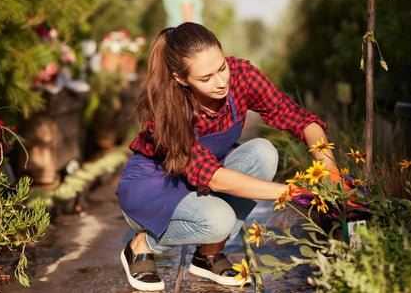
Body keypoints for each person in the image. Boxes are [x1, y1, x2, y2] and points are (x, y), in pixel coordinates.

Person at [115, 22, 336, 291]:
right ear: (181, 79)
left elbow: (298, 119)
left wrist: (327, 165)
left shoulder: (241, 76)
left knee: (263, 152)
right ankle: (141, 245)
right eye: (206, 78)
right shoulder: (166, 108)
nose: (221, 82)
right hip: (155, 187)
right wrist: (294, 192)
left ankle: (208, 255)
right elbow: (214, 178)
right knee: (218, 220)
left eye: (221, 67)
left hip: (201, 179)